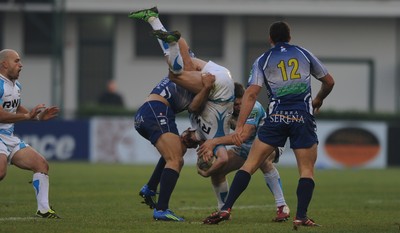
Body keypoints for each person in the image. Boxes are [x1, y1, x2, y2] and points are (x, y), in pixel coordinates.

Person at [202, 21, 335, 229]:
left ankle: (226, 208)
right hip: (302, 117)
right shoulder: (304, 53)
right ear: (289, 37)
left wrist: (239, 127)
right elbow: (329, 81)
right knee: (306, 170)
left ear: (270, 39)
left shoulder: (263, 60)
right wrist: (318, 99)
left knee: (250, 164)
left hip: (277, 118)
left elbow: (252, 94)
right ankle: (300, 216)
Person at [130, 7, 219, 222]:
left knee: (176, 150)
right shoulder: (194, 75)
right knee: (175, 159)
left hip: (149, 112)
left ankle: (151, 187)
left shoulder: (189, 78)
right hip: (155, 111)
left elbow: (195, 111)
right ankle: (161, 210)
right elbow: (184, 48)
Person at [182, 82, 290, 222]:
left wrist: (213, 142)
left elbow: (243, 136)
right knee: (218, 170)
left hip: (269, 143)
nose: (238, 107)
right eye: (235, 104)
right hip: (245, 148)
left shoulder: (253, 108)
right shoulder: (225, 110)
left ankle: (282, 206)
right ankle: (223, 210)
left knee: (263, 160)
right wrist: (198, 139)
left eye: (240, 103)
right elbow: (212, 130)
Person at [0, 49, 60, 218]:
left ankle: (44, 210)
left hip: (8, 138)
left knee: (41, 164)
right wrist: (26, 116)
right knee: (0, 172)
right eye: (16, 61)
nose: (21, 65)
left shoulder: (16, 85)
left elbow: (16, 107)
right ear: (4, 64)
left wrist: (38, 117)